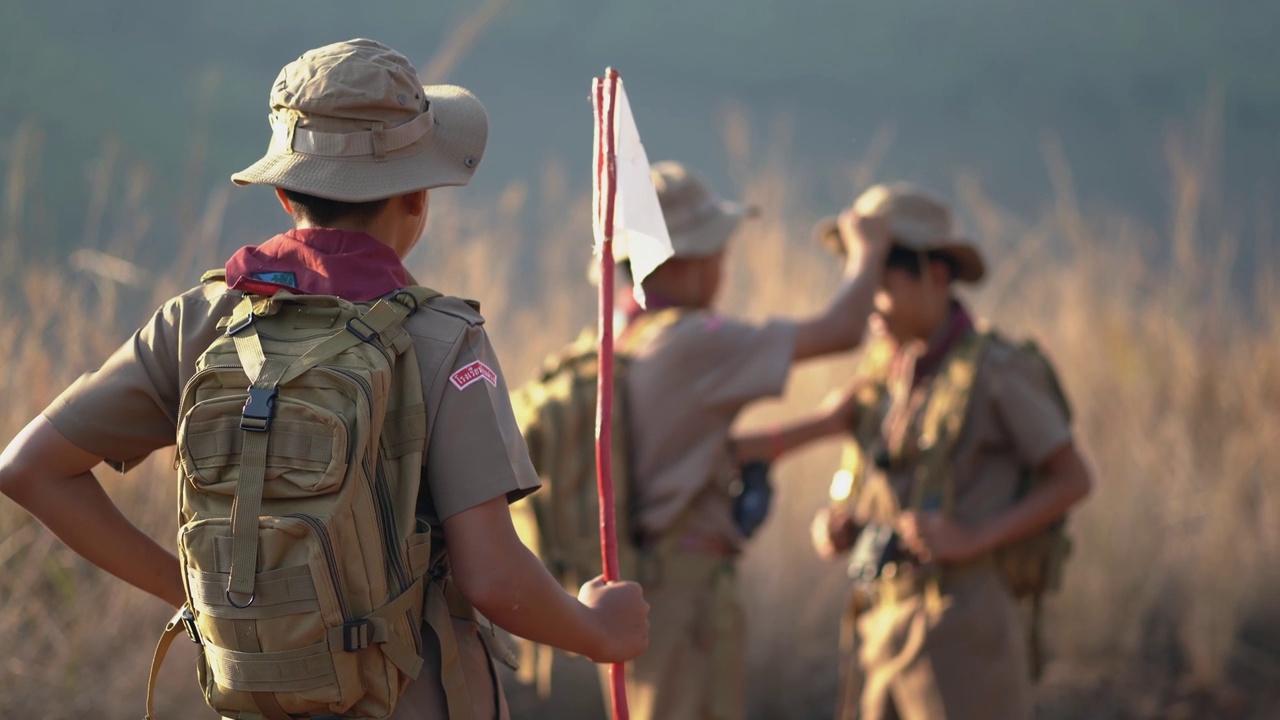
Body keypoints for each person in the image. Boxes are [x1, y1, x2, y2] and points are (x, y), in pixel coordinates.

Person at [0, 38, 647, 719]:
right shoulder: (444, 339)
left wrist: (200, 597)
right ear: (419, 196)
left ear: (283, 192)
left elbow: (27, 469)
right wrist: (599, 631)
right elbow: (493, 576)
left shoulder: (202, 320)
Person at [616, 160, 891, 720]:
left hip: (646, 594)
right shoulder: (696, 340)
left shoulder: (627, 342)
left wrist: (823, 425)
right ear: (688, 262)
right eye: (719, 252)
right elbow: (840, 331)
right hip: (688, 600)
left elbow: (707, 456)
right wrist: (869, 251)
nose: (723, 268)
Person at [809, 183, 1093, 720]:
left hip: (963, 627)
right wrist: (846, 524)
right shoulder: (883, 373)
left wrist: (974, 539)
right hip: (880, 622)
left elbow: (1074, 478)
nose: (866, 302)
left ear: (936, 276)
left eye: (880, 281)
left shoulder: (997, 371)